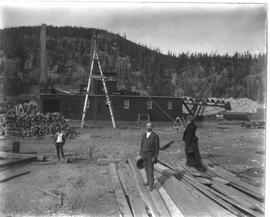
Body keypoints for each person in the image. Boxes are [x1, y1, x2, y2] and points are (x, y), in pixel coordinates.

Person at [139, 122, 160, 191]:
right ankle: (148, 181)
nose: (148, 127)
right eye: (147, 126)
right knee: (146, 169)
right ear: (146, 127)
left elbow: (157, 148)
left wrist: (155, 157)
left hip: (151, 156)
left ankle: (151, 186)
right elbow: (141, 145)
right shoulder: (143, 135)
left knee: (150, 170)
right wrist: (141, 154)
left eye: (150, 126)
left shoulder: (155, 136)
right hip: (144, 155)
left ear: (152, 127)